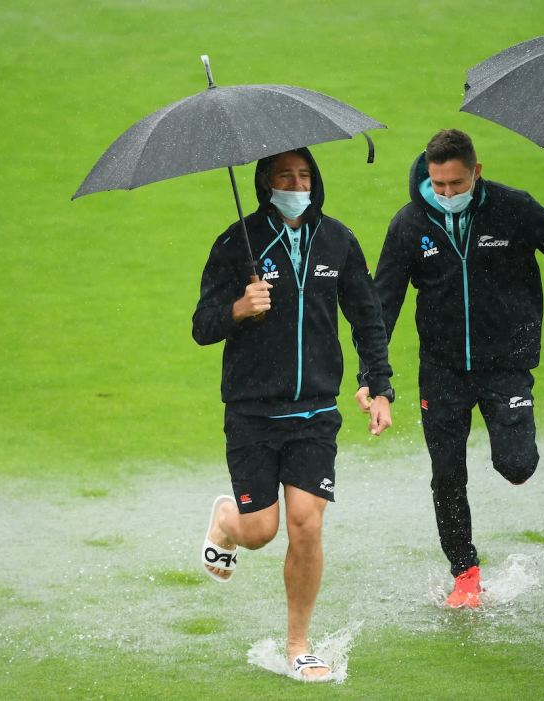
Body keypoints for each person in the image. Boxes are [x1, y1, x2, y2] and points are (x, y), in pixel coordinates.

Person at [357, 129, 544, 607]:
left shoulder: (513, 207)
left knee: (517, 467)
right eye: (438, 185)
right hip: (442, 370)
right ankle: (465, 572)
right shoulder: (409, 225)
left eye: (456, 183)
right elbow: (381, 307)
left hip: (507, 366)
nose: (447, 194)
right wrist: (375, 380)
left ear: (476, 172)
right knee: (447, 473)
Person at [192, 148, 394, 678]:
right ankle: (226, 522)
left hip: (315, 412)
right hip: (252, 414)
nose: (297, 183)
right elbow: (202, 324)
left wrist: (379, 386)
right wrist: (239, 308)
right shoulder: (236, 243)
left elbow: (367, 316)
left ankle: (298, 643)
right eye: (285, 175)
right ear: (264, 182)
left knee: (305, 526)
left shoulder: (338, 240)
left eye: (304, 175)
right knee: (260, 531)